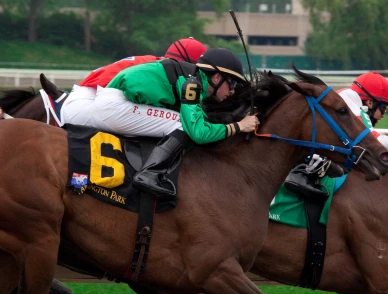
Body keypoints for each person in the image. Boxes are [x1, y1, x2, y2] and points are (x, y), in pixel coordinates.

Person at [77, 48, 259, 197]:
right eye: (232, 84)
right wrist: (239, 126)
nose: (233, 91)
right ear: (217, 78)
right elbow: (199, 133)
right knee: (183, 125)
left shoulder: (193, 79)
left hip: (114, 102)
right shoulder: (192, 85)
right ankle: (150, 174)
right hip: (115, 105)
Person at [285, 72, 388, 198]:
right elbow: (377, 141)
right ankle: (302, 172)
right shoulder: (354, 104)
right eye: (383, 109)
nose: (383, 116)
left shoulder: (348, 99)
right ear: (370, 102)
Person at [60, 37, 207, 126]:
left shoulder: (157, 65)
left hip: (84, 96)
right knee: (180, 124)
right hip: (90, 100)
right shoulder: (162, 74)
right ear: (185, 65)